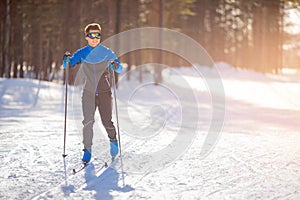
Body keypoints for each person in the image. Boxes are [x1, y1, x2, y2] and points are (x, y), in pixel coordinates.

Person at [63, 23, 122, 163]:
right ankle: (87, 150)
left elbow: (119, 67)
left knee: (107, 121)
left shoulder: (107, 52)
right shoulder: (82, 53)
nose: (95, 38)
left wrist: (116, 65)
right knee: (88, 122)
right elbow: (68, 65)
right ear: (86, 37)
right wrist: (66, 60)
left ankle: (113, 141)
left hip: (104, 93)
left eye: (97, 35)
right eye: (92, 35)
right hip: (88, 93)